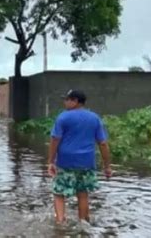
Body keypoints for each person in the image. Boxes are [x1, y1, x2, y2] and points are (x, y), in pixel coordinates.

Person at [47, 89, 112, 224]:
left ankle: (60, 223)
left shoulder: (63, 117)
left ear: (75, 101)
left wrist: (50, 162)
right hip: (87, 162)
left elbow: (55, 140)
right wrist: (107, 166)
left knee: (59, 193)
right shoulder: (94, 118)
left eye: (67, 99)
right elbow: (103, 143)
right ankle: (83, 223)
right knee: (83, 193)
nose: (65, 102)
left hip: (66, 162)